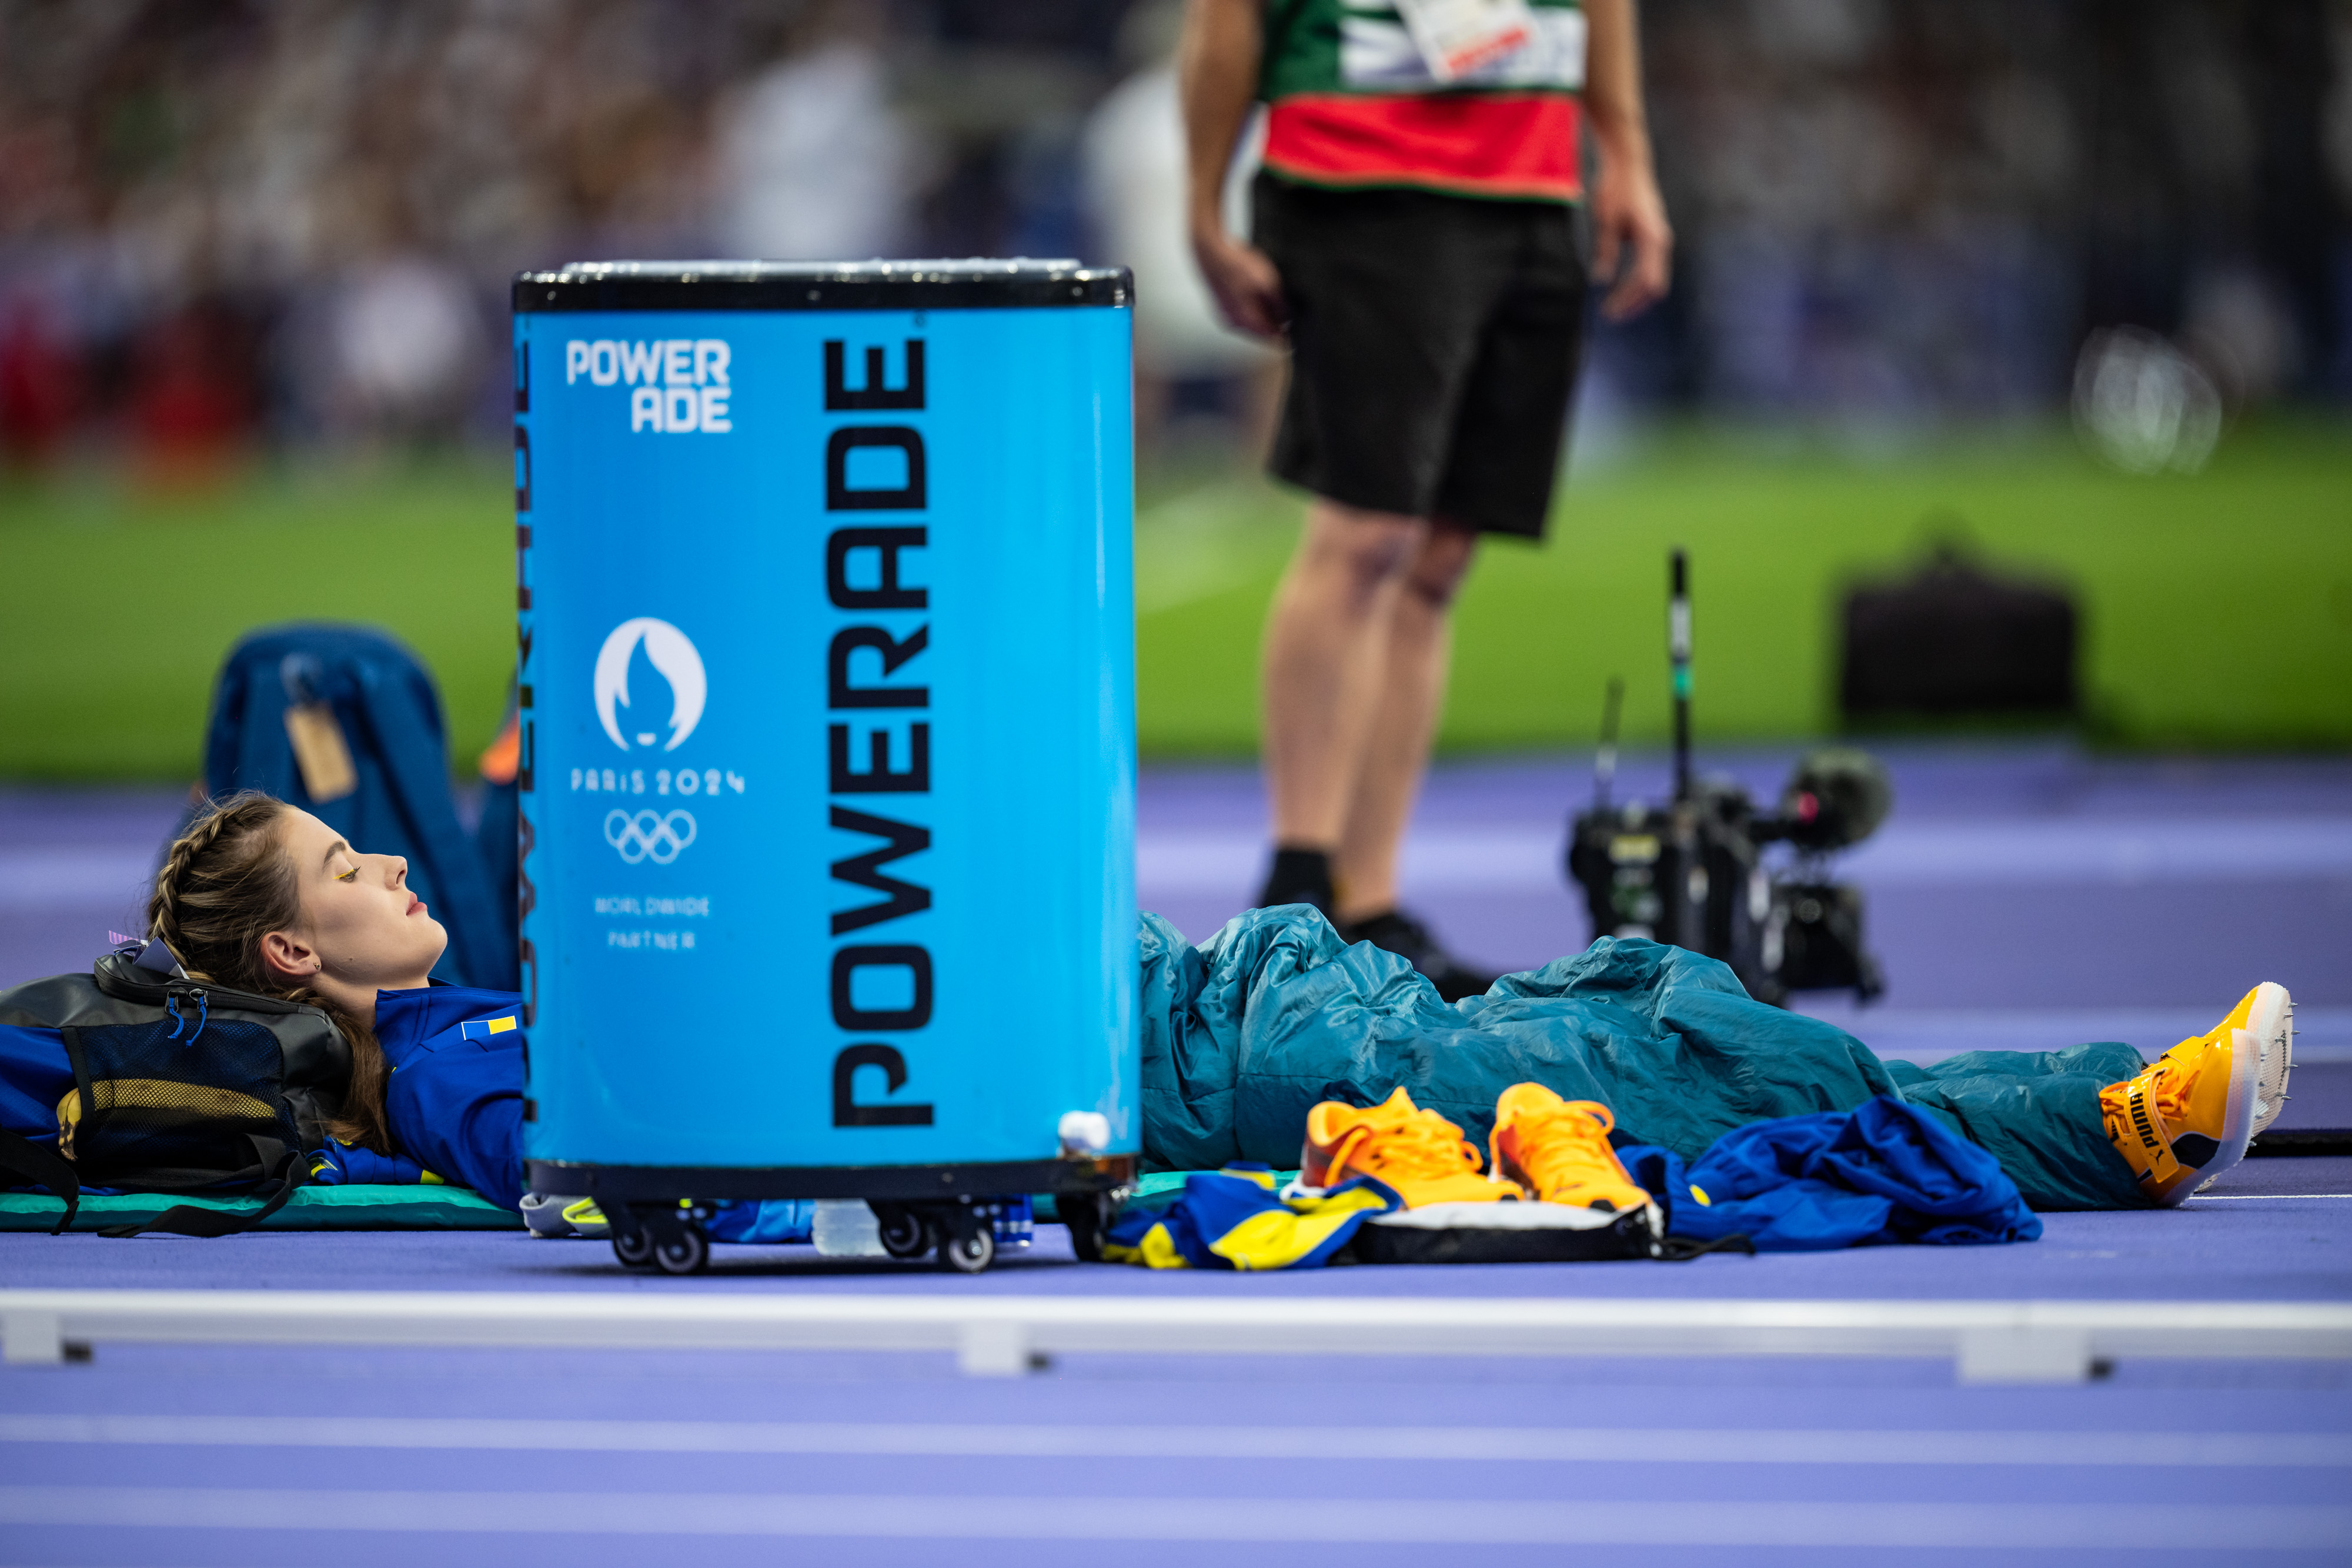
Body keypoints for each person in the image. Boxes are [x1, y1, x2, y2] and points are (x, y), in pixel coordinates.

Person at [0, 794, 2289, 1232]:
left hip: (1197, 1000)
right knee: (1712, 1057)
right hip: (1203, 1059)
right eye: (353, 878)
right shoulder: (492, 1068)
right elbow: (622, 1168)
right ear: (298, 963)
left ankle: (2119, 1110)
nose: (396, 870)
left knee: (1637, 1012)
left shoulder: (483, 1012)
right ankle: (2126, 1115)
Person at [1178, 0, 1674, 999]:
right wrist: (1203, 206)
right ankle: (1296, 899)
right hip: (1365, 169)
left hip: (1536, 181)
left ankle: (1370, 908)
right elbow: (1227, 16)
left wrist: (1624, 153)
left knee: (1442, 554)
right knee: (1368, 533)